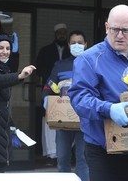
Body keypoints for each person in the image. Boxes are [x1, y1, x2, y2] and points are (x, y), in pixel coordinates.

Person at [68, 4, 128, 181]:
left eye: (125, 30)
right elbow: (79, 99)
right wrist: (109, 109)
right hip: (104, 150)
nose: (119, 35)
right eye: (115, 29)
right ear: (107, 27)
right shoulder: (89, 59)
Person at [42, 30, 89, 181]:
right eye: (73, 43)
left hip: (84, 120)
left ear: (86, 45)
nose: (77, 45)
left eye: (80, 43)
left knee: (83, 160)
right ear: (69, 45)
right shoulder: (60, 65)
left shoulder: (92, 64)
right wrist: (46, 99)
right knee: (62, 158)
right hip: (64, 120)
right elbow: (49, 86)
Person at [0, 34, 36, 172]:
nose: (5, 51)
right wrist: (20, 76)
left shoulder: (1, 68)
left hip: (0, 130)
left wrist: (11, 125)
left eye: (8, 48)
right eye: (0, 48)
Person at [36, 23, 71, 166]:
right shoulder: (45, 50)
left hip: (69, 93)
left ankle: (67, 154)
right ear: (55, 34)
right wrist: (53, 78)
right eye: (59, 33)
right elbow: (39, 69)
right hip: (50, 90)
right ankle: (52, 156)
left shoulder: (72, 52)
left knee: (69, 121)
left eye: (64, 32)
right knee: (50, 124)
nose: (61, 35)